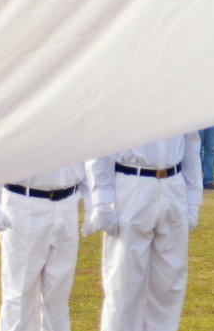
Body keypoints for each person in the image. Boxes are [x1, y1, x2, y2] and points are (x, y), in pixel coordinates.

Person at [84, 132, 201, 331]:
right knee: (124, 281)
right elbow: (101, 142)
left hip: (173, 182)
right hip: (132, 182)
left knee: (169, 282)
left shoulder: (179, 101)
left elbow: (191, 144)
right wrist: (102, 202)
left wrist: (193, 199)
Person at [0, 163, 87, 331]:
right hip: (24, 203)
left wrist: (92, 203)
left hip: (68, 201)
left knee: (58, 294)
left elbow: (86, 155)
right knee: (20, 291)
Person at [198, 125, 214, 190]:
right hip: (197, 118)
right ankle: (197, 178)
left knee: (211, 148)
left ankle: (208, 180)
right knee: (197, 148)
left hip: (212, 119)